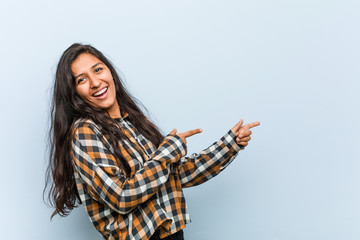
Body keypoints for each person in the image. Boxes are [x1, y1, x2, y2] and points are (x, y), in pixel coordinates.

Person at [45, 43, 260, 240]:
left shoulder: (133, 121)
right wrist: (167, 152)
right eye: (81, 79)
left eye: (98, 69)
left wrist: (230, 144)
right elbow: (121, 196)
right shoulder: (85, 132)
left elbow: (174, 175)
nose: (95, 82)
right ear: (73, 92)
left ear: (109, 71)